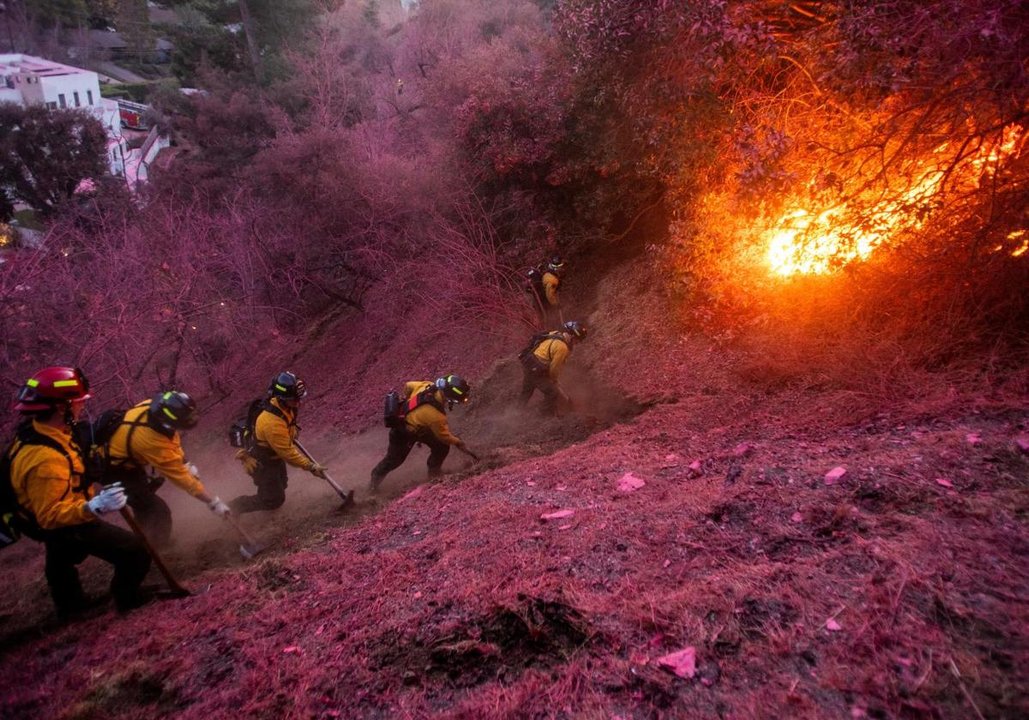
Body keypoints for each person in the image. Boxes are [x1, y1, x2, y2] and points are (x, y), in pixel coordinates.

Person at [6, 366, 151, 617]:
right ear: (62, 407)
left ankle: (70, 607)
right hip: (62, 520)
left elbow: (71, 461)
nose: (82, 406)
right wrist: (94, 506)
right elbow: (50, 517)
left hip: (53, 513)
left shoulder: (49, 431)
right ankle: (128, 600)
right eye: (78, 402)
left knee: (60, 560)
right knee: (135, 552)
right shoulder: (43, 459)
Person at [99, 390, 231, 546]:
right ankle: (157, 550)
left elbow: (171, 439)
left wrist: (184, 461)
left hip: (128, 460)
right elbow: (183, 480)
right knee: (157, 511)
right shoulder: (152, 443)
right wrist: (212, 502)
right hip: (113, 470)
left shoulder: (155, 410)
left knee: (144, 505)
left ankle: (143, 539)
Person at [229, 371, 328, 514]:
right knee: (273, 499)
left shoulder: (287, 406)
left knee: (282, 483)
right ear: (281, 398)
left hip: (274, 457)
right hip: (262, 461)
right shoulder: (271, 423)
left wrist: (292, 433)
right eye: (294, 400)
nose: (299, 403)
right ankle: (232, 508)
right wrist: (311, 467)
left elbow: (290, 426)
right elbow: (288, 453)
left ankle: (268, 499)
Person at [369, 375, 478, 494]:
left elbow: (408, 386)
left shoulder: (427, 385)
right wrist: (458, 442)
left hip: (419, 427)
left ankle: (434, 475)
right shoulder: (436, 416)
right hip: (403, 432)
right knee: (393, 461)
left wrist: (408, 401)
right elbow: (444, 436)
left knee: (441, 447)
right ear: (451, 398)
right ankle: (373, 484)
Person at [519, 320, 588, 415]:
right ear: (572, 336)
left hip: (529, 363)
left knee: (526, 392)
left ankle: (516, 412)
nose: (577, 343)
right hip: (536, 370)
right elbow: (554, 368)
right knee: (552, 393)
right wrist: (554, 380)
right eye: (577, 340)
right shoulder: (562, 348)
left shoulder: (555, 333)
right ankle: (540, 416)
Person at [536, 256, 566, 329]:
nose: (562, 269)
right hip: (544, 300)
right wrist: (556, 304)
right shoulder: (552, 280)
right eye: (560, 267)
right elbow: (549, 295)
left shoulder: (549, 274)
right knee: (548, 317)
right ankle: (552, 328)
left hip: (542, 296)